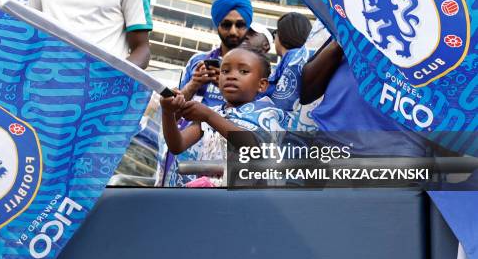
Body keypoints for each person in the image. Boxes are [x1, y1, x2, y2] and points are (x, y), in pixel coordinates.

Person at [161, 47, 286, 187]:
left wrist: (209, 116)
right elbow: (177, 145)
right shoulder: (213, 112)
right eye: (225, 71)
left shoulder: (267, 113)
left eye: (243, 71)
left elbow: (254, 149)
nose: (231, 76)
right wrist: (167, 112)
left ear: (261, 85)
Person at [300, 39, 428, 156]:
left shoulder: (441, 46)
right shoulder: (354, 21)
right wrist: (341, 38)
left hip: (396, 161)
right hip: (332, 147)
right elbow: (307, 92)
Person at [179, 0, 253, 106]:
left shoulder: (256, 68)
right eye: (226, 25)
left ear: (248, 28)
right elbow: (175, 108)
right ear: (217, 26)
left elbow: (256, 112)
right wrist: (193, 85)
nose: (233, 31)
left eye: (240, 25)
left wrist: (225, 86)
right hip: (191, 123)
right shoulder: (198, 60)